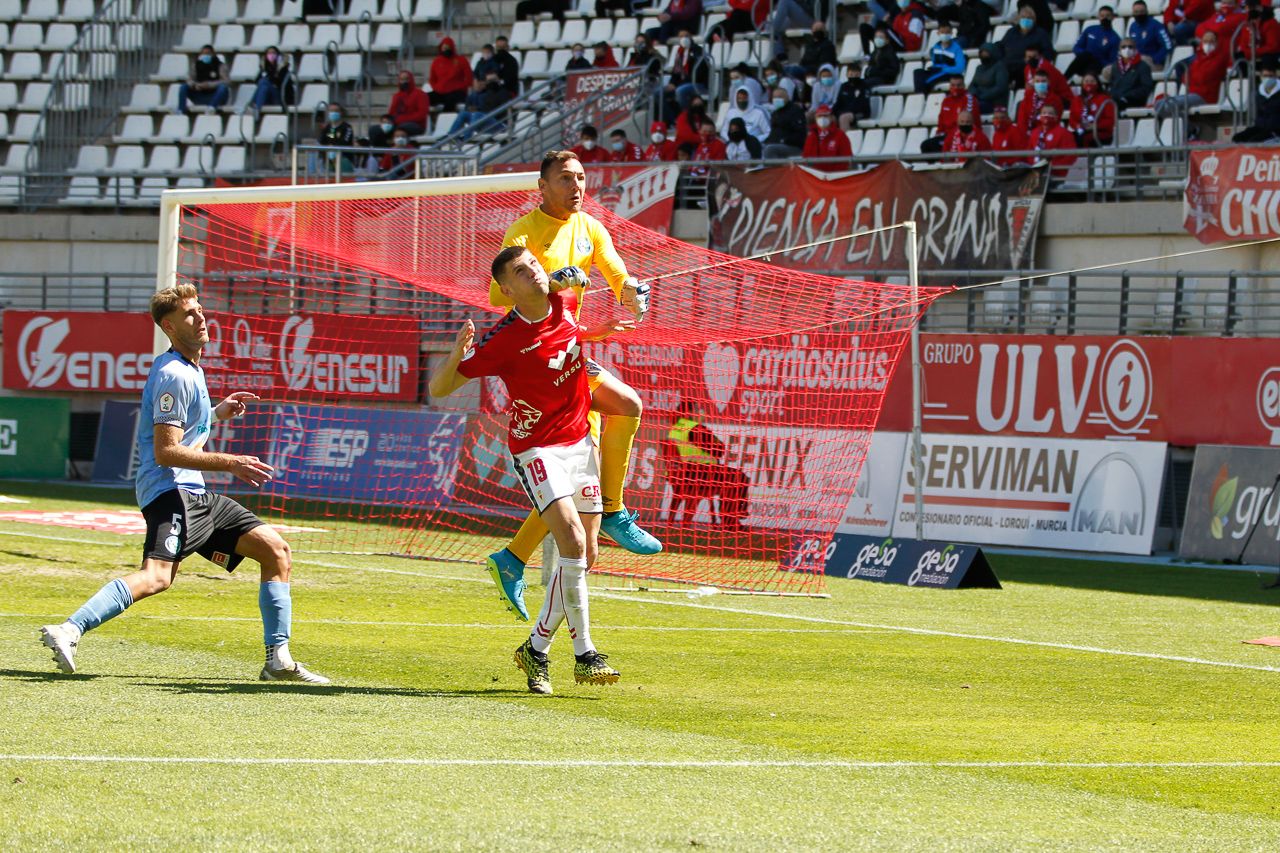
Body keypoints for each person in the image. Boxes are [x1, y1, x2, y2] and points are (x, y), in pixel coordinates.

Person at [39, 285, 328, 684]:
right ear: (169, 326)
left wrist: (216, 413)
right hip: (171, 491)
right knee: (157, 576)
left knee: (276, 550)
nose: (202, 318)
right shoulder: (174, 374)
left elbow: (186, 432)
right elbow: (167, 452)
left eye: (201, 309)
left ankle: (278, 659)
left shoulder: (188, 368)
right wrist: (230, 462)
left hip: (194, 493)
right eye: (190, 314)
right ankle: (69, 630)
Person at [433, 247, 629, 694]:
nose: (535, 273)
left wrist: (593, 317)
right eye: (522, 272)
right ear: (507, 290)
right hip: (536, 449)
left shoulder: (567, 299)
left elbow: (575, 310)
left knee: (587, 555)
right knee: (572, 542)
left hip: (581, 441)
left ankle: (536, 649)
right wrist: (453, 354)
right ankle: (586, 655)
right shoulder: (501, 340)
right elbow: (440, 388)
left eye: (536, 265)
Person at [483, 151, 661, 622]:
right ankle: (616, 511)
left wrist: (633, 295)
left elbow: (618, 274)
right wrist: (549, 285)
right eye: (565, 179)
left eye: (581, 178)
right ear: (541, 186)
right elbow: (497, 294)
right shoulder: (522, 232)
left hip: (570, 352)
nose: (576, 186)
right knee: (627, 404)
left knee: (580, 503)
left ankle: (514, 560)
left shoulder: (591, 227)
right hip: (536, 356)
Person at [666, 403, 749, 530]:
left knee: (730, 476)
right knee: (738, 477)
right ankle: (731, 519)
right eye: (698, 409)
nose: (702, 412)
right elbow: (719, 450)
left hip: (681, 476)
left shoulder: (675, 428)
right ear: (689, 412)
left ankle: (731, 516)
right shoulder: (696, 429)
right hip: (701, 474)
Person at [1155, 28, 1231, 126]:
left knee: (1168, 105)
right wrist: (1195, 78)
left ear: (1217, 43)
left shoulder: (1220, 59)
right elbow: (1186, 79)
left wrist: (1195, 77)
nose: (1207, 44)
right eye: (1205, 41)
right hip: (1192, 93)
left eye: (1211, 41)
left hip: (1205, 96)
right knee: (1159, 104)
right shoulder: (1197, 59)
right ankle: (1189, 126)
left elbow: (1205, 77)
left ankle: (1188, 129)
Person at [921, 74, 979, 152]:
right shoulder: (946, 100)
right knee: (926, 145)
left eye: (958, 85)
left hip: (963, 136)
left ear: (964, 86)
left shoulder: (969, 99)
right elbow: (941, 121)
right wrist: (939, 133)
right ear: (949, 86)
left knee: (931, 146)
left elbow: (967, 124)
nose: (955, 88)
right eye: (953, 85)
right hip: (947, 135)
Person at [1000, 8, 1055, 86]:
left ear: (1034, 20)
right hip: (1009, 65)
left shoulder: (1041, 34)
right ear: (1019, 19)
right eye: (1023, 17)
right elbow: (1001, 47)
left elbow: (1048, 52)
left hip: (1027, 66)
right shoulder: (1011, 32)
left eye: (1029, 18)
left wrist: (1035, 59)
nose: (1026, 20)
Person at [663, 30, 709, 119]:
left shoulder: (698, 51)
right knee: (659, 93)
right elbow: (676, 72)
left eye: (686, 36)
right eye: (681, 36)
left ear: (691, 37)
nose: (683, 38)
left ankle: (687, 116)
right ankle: (671, 119)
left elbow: (699, 73)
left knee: (680, 91)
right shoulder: (679, 52)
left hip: (697, 83)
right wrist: (672, 83)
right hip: (682, 83)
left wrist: (677, 85)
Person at [1067, 5, 1121, 80]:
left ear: (1113, 17)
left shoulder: (1115, 38)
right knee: (1085, 55)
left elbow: (1112, 61)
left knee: (1090, 70)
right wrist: (1087, 55)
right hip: (1083, 62)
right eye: (1102, 16)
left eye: (1108, 16)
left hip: (1098, 66)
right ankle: (1064, 79)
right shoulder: (1090, 30)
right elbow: (1077, 47)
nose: (1105, 18)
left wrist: (1096, 58)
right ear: (1098, 17)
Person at [1233, 58, 1280, 140]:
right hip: (1261, 126)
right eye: (1265, 76)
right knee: (1237, 138)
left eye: (1270, 76)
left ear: (1276, 76)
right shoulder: (1258, 91)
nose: (1268, 79)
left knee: (1254, 140)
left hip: (1276, 129)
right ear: (1261, 76)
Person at [1103, 38, 1156, 109]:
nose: (1127, 49)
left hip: (1134, 100)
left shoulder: (1143, 66)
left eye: (1130, 47)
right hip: (1117, 100)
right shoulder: (1115, 66)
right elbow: (1113, 85)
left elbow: (1146, 87)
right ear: (1119, 50)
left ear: (1135, 49)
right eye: (1123, 47)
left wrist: (1127, 96)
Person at [177, 44, 229, 115]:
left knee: (223, 88)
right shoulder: (196, 65)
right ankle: (181, 110)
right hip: (200, 95)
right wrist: (195, 85)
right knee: (183, 87)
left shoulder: (220, 65)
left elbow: (226, 81)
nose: (205, 56)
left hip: (215, 96)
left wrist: (209, 85)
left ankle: (211, 108)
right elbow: (189, 79)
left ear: (213, 54)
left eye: (208, 53)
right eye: (203, 54)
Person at [1029, 104, 1077, 180]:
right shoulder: (1034, 133)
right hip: (1034, 173)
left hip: (1054, 174)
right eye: (1044, 113)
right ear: (1040, 116)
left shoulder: (1064, 133)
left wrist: (1053, 167)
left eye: (1050, 113)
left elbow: (1070, 156)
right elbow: (1028, 153)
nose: (1046, 115)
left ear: (1056, 117)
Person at [914, 22, 966, 92]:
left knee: (927, 81)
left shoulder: (956, 49)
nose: (944, 35)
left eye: (947, 32)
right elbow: (935, 61)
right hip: (936, 70)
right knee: (918, 72)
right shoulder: (936, 46)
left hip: (947, 73)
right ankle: (919, 94)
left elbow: (960, 68)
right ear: (938, 33)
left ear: (951, 33)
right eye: (942, 32)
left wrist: (944, 69)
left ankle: (922, 95)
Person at [1069, 72, 1116, 146]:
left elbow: (1110, 120)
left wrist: (1094, 126)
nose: (1089, 84)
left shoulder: (1105, 99)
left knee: (1085, 138)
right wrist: (1077, 125)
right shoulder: (1077, 100)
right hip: (1082, 131)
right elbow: (1072, 119)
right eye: (1086, 81)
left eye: (1092, 81)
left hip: (1101, 133)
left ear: (1097, 83)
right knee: (1068, 138)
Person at [802, 104, 852, 171]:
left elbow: (846, 158)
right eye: (819, 116)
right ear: (815, 118)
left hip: (835, 176)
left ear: (831, 117)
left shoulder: (840, 135)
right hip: (815, 176)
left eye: (825, 116)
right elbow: (806, 158)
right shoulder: (811, 136)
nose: (822, 118)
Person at [429, 37, 473, 113]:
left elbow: (469, 78)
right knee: (424, 98)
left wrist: (460, 86)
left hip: (457, 92)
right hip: (440, 92)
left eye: (448, 47)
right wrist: (437, 88)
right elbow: (432, 79)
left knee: (450, 101)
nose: (446, 49)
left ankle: (445, 121)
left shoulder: (461, 60)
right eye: (444, 48)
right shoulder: (436, 61)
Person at [763, 86, 807, 157]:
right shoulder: (775, 113)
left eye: (780, 97)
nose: (776, 99)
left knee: (770, 149)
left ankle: (774, 168)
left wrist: (784, 140)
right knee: (760, 146)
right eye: (774, 97)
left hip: (792, 146)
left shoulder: (795, 111)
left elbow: (800, 134)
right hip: (776, 144)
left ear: (787, 98)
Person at [1018, 68, 1067, 132]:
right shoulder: (1027, 98)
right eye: (1037, 81)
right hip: (1026, 135)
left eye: (1043, 81)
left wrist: (1035, 136)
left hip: (1046, 135)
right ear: (1033, 82)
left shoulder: (1056, 100)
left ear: (1049, 82)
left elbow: (1053, 122)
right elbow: (1022, 120)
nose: (1040, 84)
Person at [1129, 0, 1174, 68]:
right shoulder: (1133, 27)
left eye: (1141, 11)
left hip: (1154, 63)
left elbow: (1168, 46)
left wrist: (1154, 59)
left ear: (1147, 11)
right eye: (1136, 12)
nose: (1139, 14)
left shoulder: (1156, 26)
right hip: (1137, 62)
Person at [250, 46, 292, 113]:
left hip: (279, 99)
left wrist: (279, 69)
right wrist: (263, 69)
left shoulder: (283, 69)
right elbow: (257, 82)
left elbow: (280, 83)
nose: (271, 55)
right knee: (264, 86)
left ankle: (252, 105)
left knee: (264, 82)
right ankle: (257, 111)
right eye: (269, 53)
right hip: (266, 97)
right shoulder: (265, 68)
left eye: (273, 53)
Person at [970, 42, 1009, 113]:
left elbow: (1000, 88)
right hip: (979, 99)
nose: (984, 55)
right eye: (982, 53)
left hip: (993, 102)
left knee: (972, 107)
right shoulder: (979, 68)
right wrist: (974, 94)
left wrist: (982, 96)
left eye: (986, 53)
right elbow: (973, 84)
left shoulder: (1000, 67)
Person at [388, 69, 429, 136]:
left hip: (416, 125)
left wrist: (401, 119)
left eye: (406, 79)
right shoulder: (396, 96)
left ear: (411, 80)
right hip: (398, 123)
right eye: (401, 79)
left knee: (401, 128)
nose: (404, 82)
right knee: (375, 130)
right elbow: (391, 113)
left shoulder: (421, 94)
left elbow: (422, 114)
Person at [317, 102, 355, 173]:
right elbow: (322, 141)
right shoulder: (327, 128)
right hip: (328, 160)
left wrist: (333, 147)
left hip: (343, 159)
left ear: (341, 113)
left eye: (336, 111)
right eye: (331, 111)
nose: (333, 113)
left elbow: (344, 142)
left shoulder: (347, 127)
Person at [835, 63, 872, 129]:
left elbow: (863, 105)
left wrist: (848, 111)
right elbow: (839, 102)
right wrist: (832, 112)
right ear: (847, 74)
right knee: (829, 117)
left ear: (860, 74)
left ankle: (844, 139)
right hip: (845, 111)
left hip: (861, 113)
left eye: (856, 74)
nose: (853, 77)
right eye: (851, 74)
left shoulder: (864, 86)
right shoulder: (844, 86)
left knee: (844, 118)